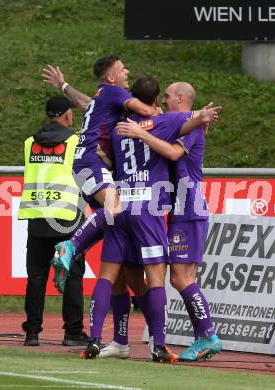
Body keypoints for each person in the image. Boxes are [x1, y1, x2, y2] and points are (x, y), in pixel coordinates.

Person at [81, 76, 220, 362]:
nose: (165, 100)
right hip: (165, 209)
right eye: (163, 96)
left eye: (170, 96)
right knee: (136, 275)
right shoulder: (166, 124)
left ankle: (206, 335)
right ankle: (135, 340)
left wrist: (142, 131)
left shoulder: (186, 128)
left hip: (188, 208)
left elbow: (170, 152)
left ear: (180, 99)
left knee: (181, 278)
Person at [42, 56, 161, 285]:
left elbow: (87, 104)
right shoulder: (115, 92)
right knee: (114, 208)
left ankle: (71, 254)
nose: (127, 71)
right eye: (122, 68)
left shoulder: (103, 96)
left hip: (85, 162)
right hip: (91, 162)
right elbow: (141, 108)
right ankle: (70, 247)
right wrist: (161, 114)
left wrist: (64, 86)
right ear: (111, 77)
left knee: (111, 219)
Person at [18, 96, 88, 347]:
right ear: (68, 115)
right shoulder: (76, 142)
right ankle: (73, 332)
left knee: (36, 276)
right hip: (67, 217)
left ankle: (32, 332)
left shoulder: (29, 143)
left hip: (37, 216)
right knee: (72, 275)